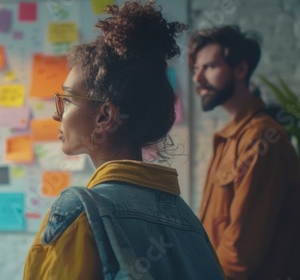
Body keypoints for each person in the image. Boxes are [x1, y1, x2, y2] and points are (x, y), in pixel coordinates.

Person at [24, 1, 225, 279]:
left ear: (105, 117)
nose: (58, 115)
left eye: (68, 99)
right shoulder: (188, 220)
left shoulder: (78, 215)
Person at [188, 25, 300, 279]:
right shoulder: (229, 138)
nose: (197, 79)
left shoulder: (260, 139)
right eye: (196, 70)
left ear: (240, 69)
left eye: (209, 67)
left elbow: (239, 257)